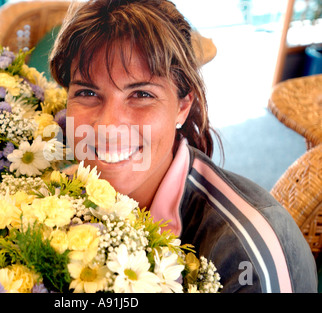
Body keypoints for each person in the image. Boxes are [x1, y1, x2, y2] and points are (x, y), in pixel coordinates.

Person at [49, 0, 318, 292]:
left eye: (141, 94)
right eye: (87, 92)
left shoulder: (242, 256)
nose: (106, 127)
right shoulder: (52, 201)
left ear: (182, 105)